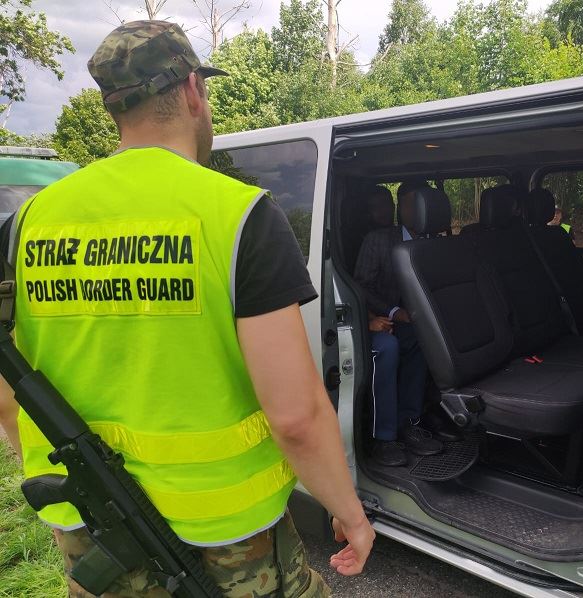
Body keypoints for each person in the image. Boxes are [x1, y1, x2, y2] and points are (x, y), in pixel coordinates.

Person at [0, 21, 373, 598]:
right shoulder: (238, 215)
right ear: (195, 90)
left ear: (113, 106)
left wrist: (66, 487)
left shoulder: (27, 222)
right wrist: (349, 513)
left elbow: (9, 395)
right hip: (224, 536)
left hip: (91, 524)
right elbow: (296, 416)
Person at [354, 181, 443, 466]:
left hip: (413, 323)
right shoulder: (378, 240)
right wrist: (392, 312)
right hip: (373, 320)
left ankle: (410, 422)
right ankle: (383, 438)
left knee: (421, 338)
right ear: (403, 207)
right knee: (388, 347)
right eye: (413, 204)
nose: (418, 210)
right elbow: (361, 287)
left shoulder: (434, 241)